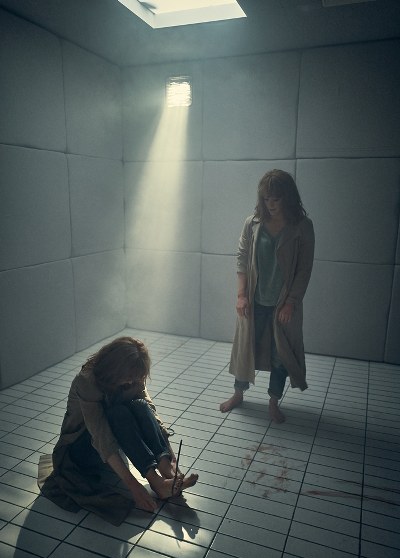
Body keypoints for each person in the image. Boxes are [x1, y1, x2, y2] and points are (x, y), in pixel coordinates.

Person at [39, 337, 198, 525]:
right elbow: (100, 436)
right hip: (81, 447)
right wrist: (134, 486)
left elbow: (149, 411)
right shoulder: (87, 381)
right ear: (114, 369)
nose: (132, 381)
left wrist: (170, 457)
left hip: (111, 442)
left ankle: (167, 472)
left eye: (135, 377)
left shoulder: (133, 375)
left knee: (140, 405)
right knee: (117, 413)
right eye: (129, 376)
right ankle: (156, 482)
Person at [220, 169, 315, 423]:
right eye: (266, 198)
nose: (270, 204)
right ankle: (238, 394)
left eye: (276, 199)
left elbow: (304, 269)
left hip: (283, 303)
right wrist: (241, 295)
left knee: (280, 354)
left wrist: (291, 302)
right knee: (245, 348)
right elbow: (241, 258)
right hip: (254, 300)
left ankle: (273, 402)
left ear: (288, 198)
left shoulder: (302, 227)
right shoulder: (252, 223)